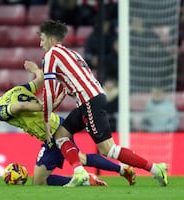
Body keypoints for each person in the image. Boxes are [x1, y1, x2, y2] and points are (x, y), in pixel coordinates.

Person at [37, 20, 168, 187]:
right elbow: (61, 89)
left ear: (51, 40)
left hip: (88, 100)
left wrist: (46, 117)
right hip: (91, 98)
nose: (40, 44)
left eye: (42, 39)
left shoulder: (50, 55)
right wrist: (52, 104)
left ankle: (156, 169)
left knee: (108, 149)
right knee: (61, 136)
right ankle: (79, 173)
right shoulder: (72, 54)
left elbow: (49, 90)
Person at [0, 61, 136, 187]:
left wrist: (43, 106)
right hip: (56, 123)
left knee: (39, 182)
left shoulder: (0, 111)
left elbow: (21, 106)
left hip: (51, 132)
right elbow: (39, 82)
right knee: (80, 158)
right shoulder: (14, 91)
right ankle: (122, 169)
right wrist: (35, 70)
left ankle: (86, 180)